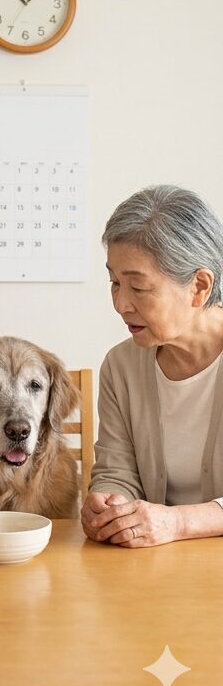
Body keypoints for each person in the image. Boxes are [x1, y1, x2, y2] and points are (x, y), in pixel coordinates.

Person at [83, 185, 223, 547]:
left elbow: (171, 524)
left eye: (139, 288)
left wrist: (178, 522)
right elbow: (116, 470)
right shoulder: (121, 366)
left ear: (199, 287)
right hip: (151, 571)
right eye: (114, 282)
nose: (121, 304)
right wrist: (109, 503)